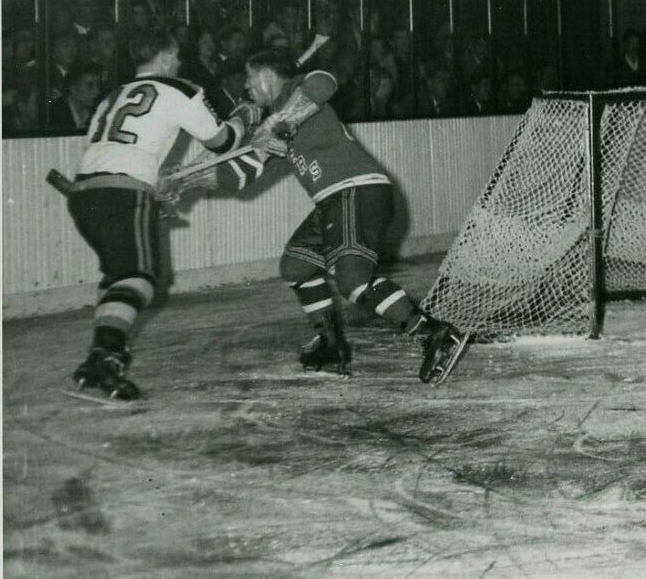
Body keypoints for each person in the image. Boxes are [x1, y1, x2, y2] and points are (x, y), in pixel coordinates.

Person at [173, 50, 468, 382]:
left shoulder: (295, 95)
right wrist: (185, 181)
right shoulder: (275, 125)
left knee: (353, 279)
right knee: (295, 266)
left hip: (355, 190)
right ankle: (330, 343)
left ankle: (431, 334)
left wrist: (281, 121)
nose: (246, 86)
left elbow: (324, 81)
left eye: (249, 77)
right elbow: (241, 175)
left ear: (267, 76)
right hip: (334, 200)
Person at [65, 29, 247, 400]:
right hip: (123, 193)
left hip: (85, 193)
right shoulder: (179, 88)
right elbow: (223, 141)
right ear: (164, 58)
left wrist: (151, 179)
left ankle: (103, 355)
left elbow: (109, 150)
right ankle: (104, 359)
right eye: (176, 56)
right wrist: (246, 115)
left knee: (118, 278)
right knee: (139, 278)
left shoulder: (111, 95)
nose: (180, 62)